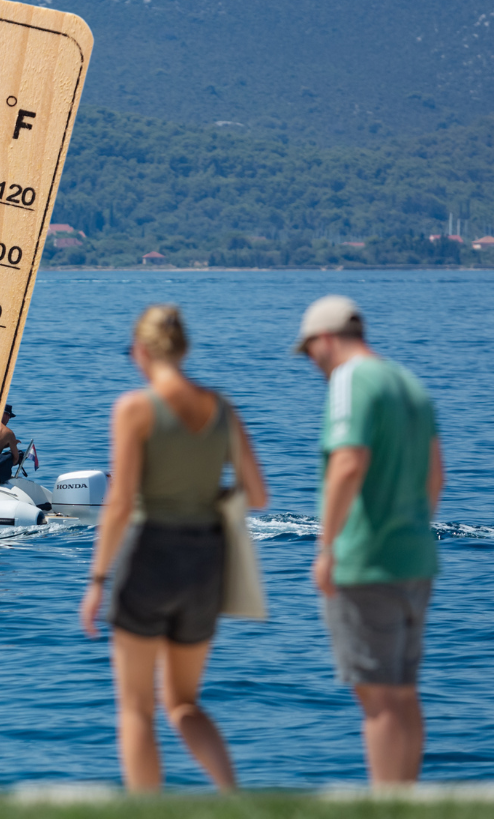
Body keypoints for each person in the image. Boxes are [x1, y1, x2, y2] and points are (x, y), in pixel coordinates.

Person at [79, 305, 268, 792]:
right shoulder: (222, 408)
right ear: (183, 350)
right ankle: (235, 799)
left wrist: (97, 582)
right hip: (206, 562)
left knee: (136, 709)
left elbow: (119, 503)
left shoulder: (135, 409)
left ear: (141, 351)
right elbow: (259, 494)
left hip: (150, 558)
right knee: (184, 703)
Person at [295, 295, 442, 787]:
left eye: (310, 351)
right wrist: (412, 529)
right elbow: (436, 474)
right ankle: (409, 800)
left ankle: (384, 804)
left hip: (367, 561)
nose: (312, 363)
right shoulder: (409, 384)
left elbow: (348, 463)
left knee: (376, 699)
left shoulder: (350, 379)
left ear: (326, 340)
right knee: (403, 693)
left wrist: (328, 547)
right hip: (417, 558)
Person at [0, 403, 24, 486]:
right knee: (16, 454)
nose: (9, 419)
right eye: (9, 417)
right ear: (6, 415)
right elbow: (15, 459)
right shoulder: (8, 433)